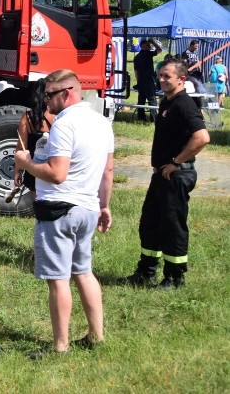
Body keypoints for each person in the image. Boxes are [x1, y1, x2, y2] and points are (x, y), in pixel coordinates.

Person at [14, 69, 114, 357]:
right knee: (84, 272)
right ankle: (97, 336)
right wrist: (104, 205)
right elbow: (107, 171)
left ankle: (60, 346)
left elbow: (57, 174)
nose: (46, 102)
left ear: (67, 92)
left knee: (58, 280)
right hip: (87, 209)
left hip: (59, 210)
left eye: (49, 95)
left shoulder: (64, 125)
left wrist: (26, 162)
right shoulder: (101, 122)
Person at [121, 60, 210, 290]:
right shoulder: (166, 102)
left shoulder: (184, 104)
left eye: (167, 76)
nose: (161, 79)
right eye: (160, 75)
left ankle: (175, 278)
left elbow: (202, 137)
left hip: (176, 174)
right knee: (150, 223)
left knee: (172, 226)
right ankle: (146, 272)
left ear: (181, 79)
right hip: (161, 174)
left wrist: (176, 162)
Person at [13, 79, 56, 202]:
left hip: (35, 170)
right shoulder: (60, 116)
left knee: (38, 207)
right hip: (55, 165)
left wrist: (17, 171)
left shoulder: (27, 117)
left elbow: (21, 147)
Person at [133, 38, 162, 122]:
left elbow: (136, 72)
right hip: (148, 81)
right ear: (142, 46)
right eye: (148, 45)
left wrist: (138, 82)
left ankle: (141, 118)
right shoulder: (148, 54)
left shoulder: (136, 57)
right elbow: (159, 50)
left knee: (141, 101)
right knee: (152, 100)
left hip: (141, 81)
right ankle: (154, 119)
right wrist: (153, 42)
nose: (150, 47)